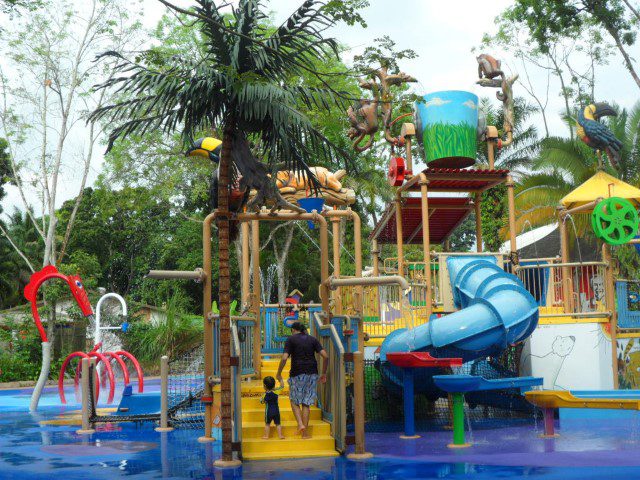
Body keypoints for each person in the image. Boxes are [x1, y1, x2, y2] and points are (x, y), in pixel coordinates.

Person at [276, 321, 328, 439]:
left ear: (293, 330)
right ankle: (305, 434)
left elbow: (284, 357)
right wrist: (324, 373)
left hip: (297, 373)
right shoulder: (312, 339)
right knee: (306, 403)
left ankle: (300, 424)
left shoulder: (291, 339)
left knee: (294, 401)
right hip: (312, 373)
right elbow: (326, 356)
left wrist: (278, 373)